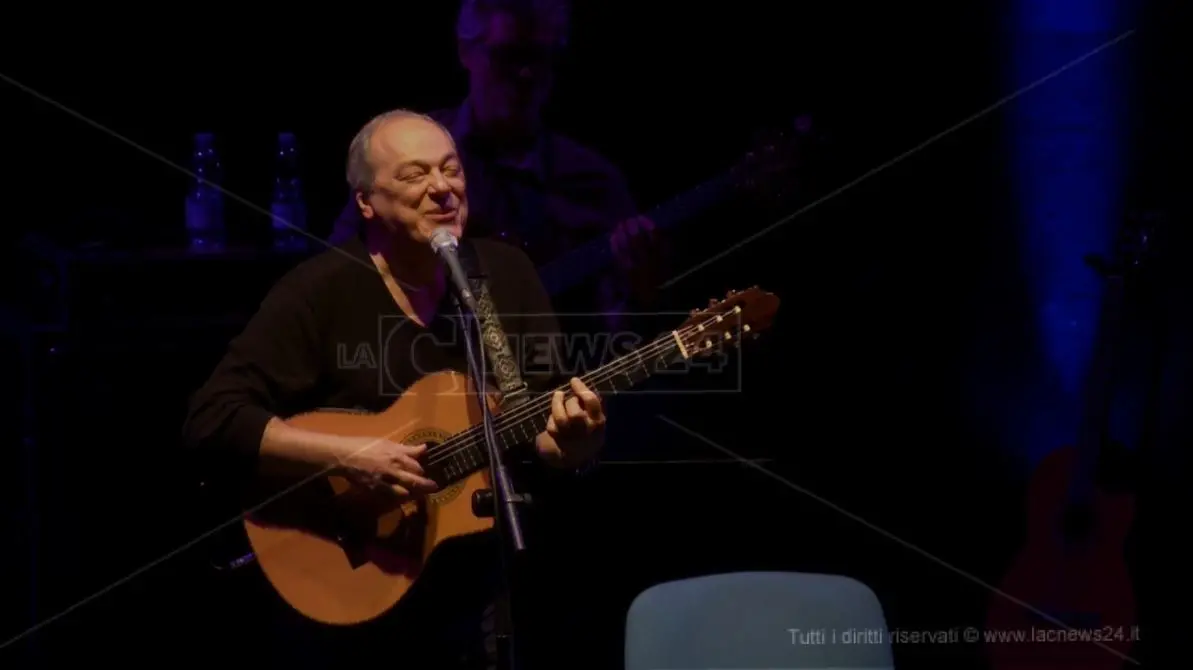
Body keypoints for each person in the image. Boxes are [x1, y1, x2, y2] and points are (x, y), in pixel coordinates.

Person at [182, 110, 606, 668]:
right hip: (351, 583)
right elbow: (211, 419)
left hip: (482, 585)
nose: (441, 188)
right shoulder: (321, 290)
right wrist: (348, 456)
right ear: (365, 201)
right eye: (414, 175)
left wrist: (575, 443)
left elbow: (543, 429)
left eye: (451, 170)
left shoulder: (505, 274)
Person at [328, 0, 663, 330]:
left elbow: (623, 331)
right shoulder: (405, 153)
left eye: (539, 57)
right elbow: (338, 270)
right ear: (465, 52)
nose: (525, 74)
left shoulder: (593, 181)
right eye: (508, 56)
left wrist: (642, 291)